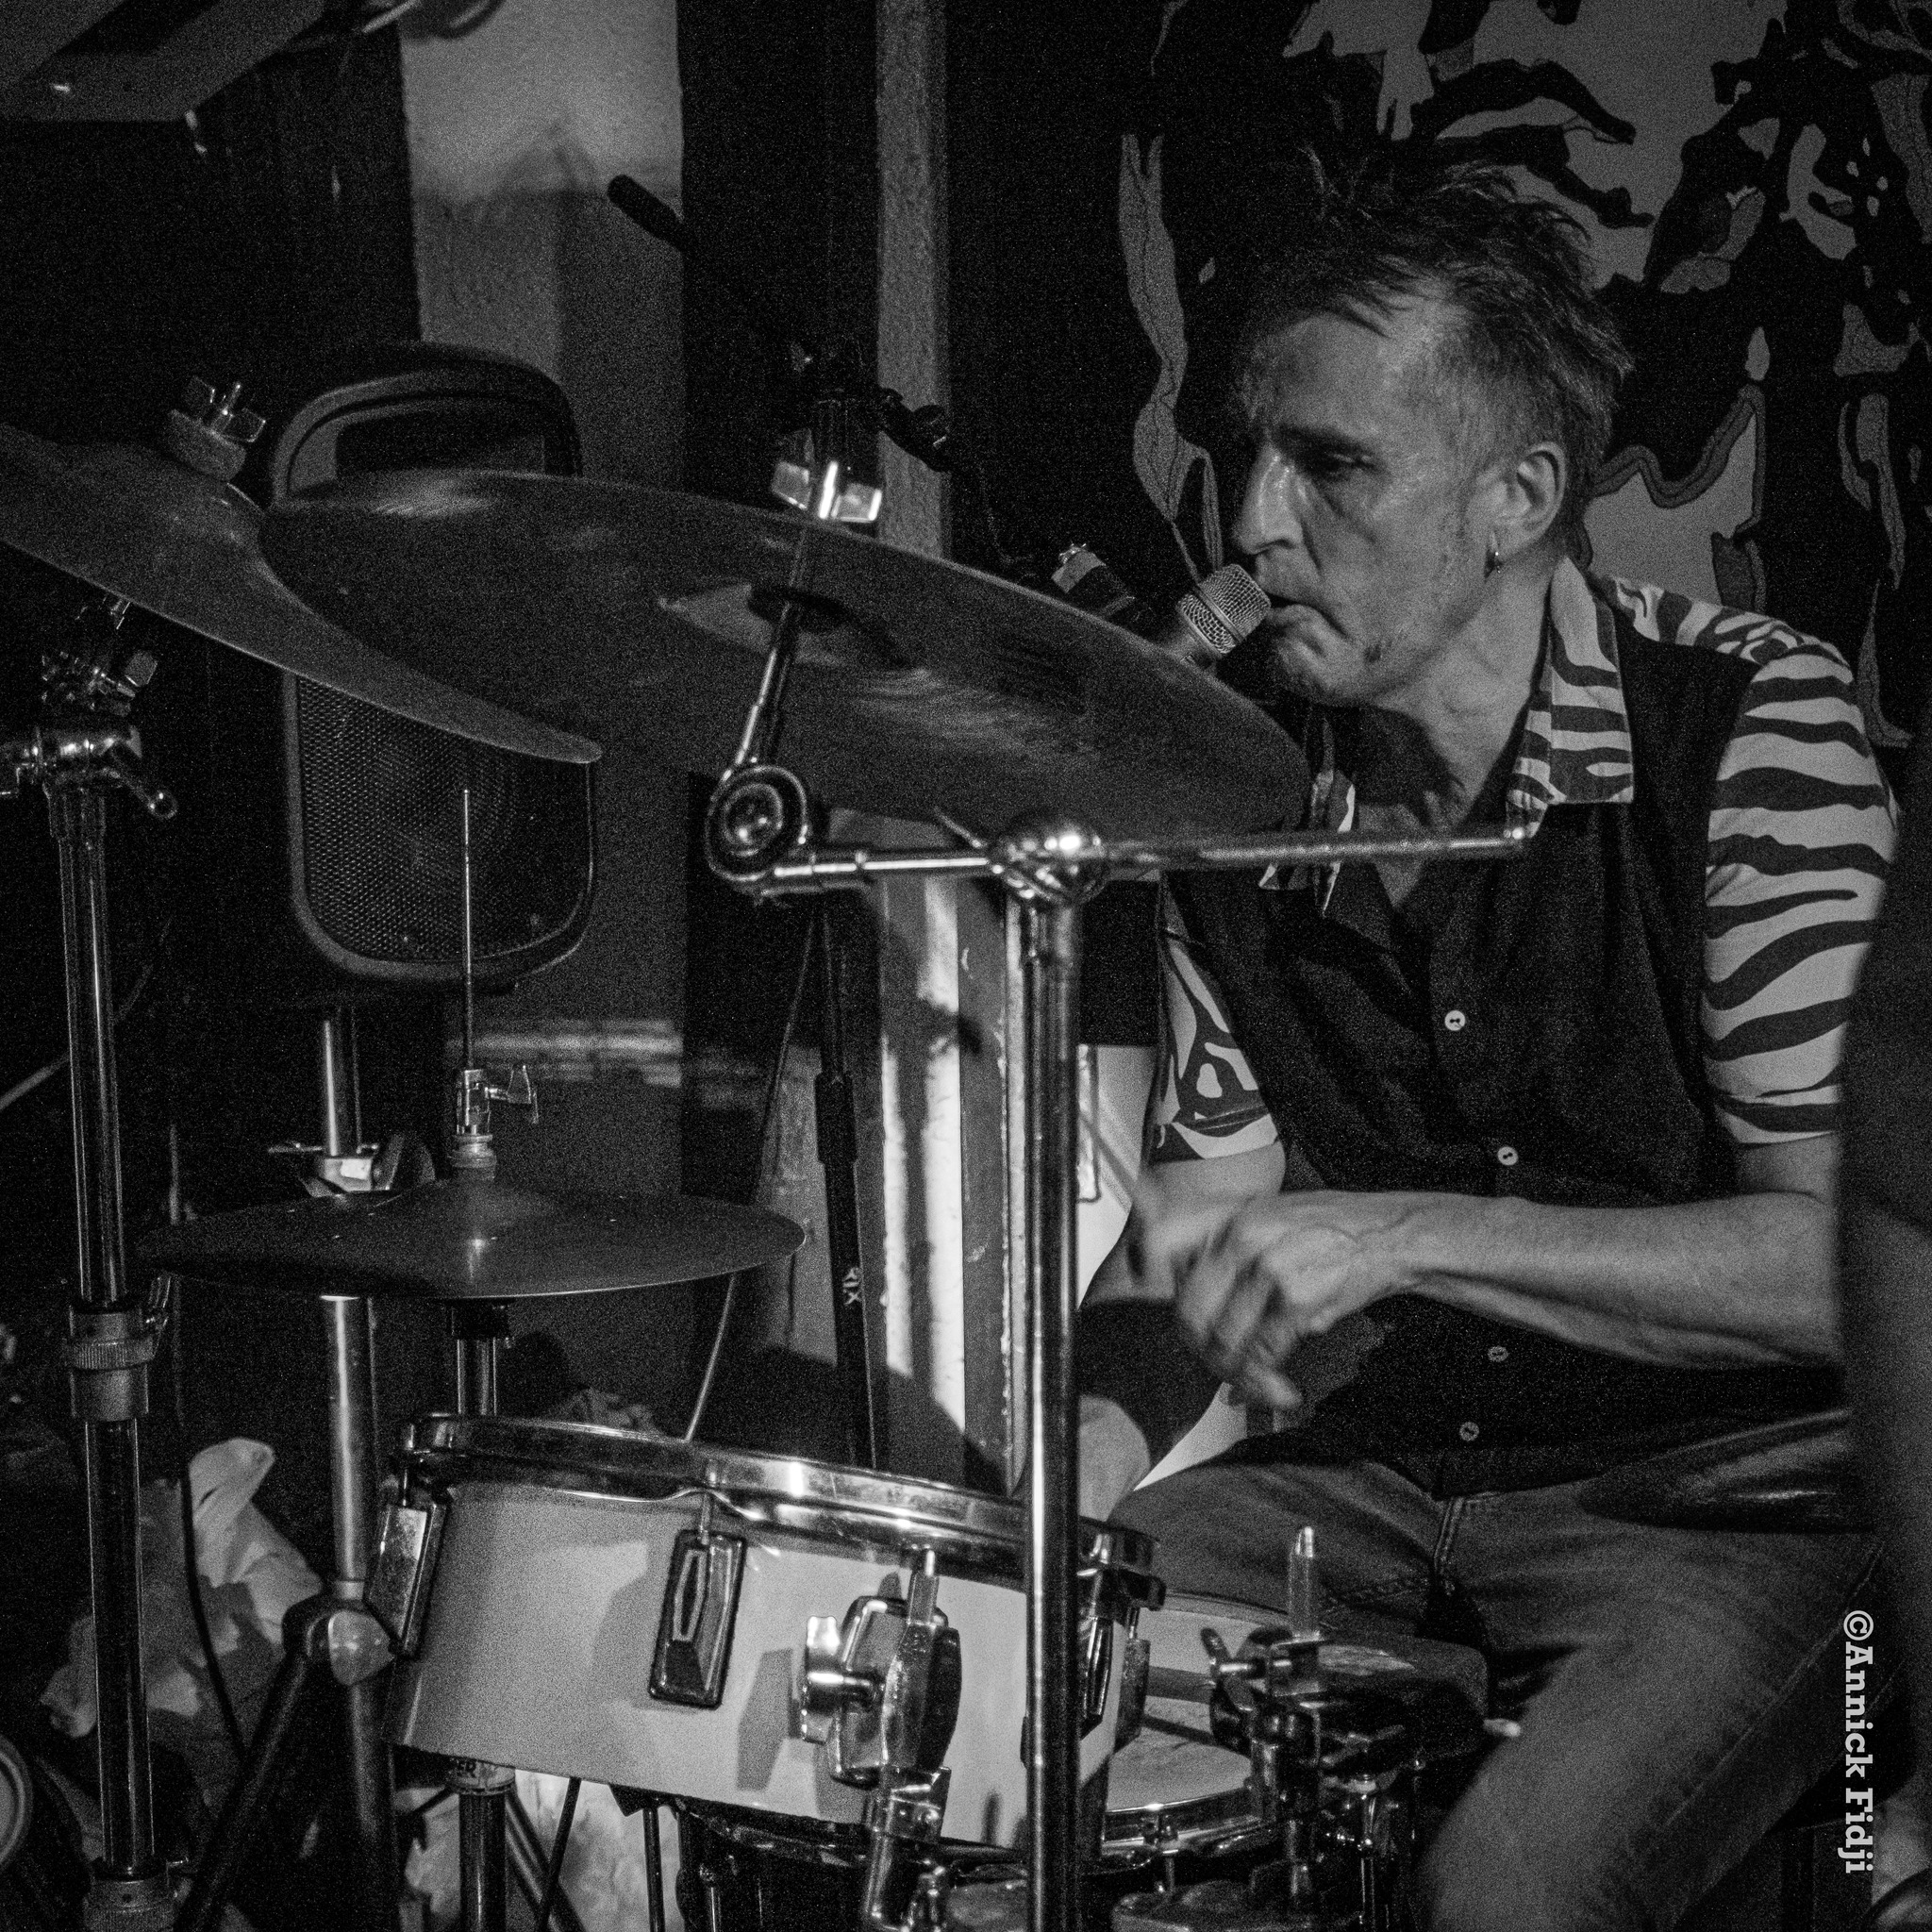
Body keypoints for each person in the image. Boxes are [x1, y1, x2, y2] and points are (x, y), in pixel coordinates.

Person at [1077, 157, 1896, 1931]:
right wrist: (1056, 1490)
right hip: (1375, 1483)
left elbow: (1844, 1266)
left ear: (1520, 496)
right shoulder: (1238, 788)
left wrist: (1400, 1234)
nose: (1255, 525)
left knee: (1506, 1895)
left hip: (1734, 1510)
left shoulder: (1749, 722)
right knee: (1011, 1735)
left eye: (1333, 467)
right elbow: (1196, 1222)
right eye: (1251, 455)